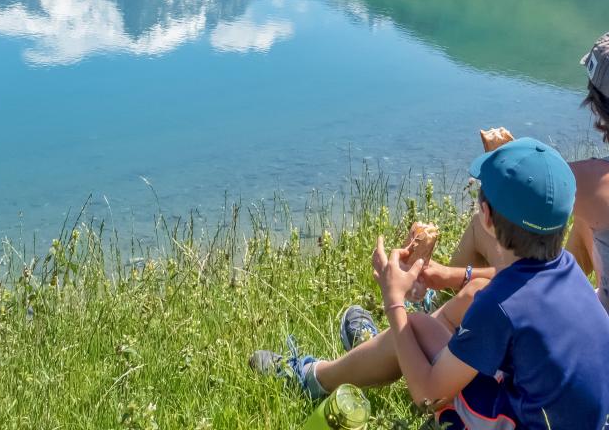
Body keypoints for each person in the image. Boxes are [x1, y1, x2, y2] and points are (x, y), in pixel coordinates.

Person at [251, 138, 609, 429]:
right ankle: (376, 352)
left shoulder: (499, 308)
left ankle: (314, 377)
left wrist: (393, 300)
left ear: (485, 216)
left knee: (413, 331)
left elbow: (426, 394)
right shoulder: (569, 270)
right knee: (431, 319)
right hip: (560, 414)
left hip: (523, 420)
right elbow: (509, 289)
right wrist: (449, 278)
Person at [567, 30, 609, 313]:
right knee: (585, 222)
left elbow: (506, 193)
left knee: (480, 229)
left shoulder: (592, 181)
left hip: (601, 342)